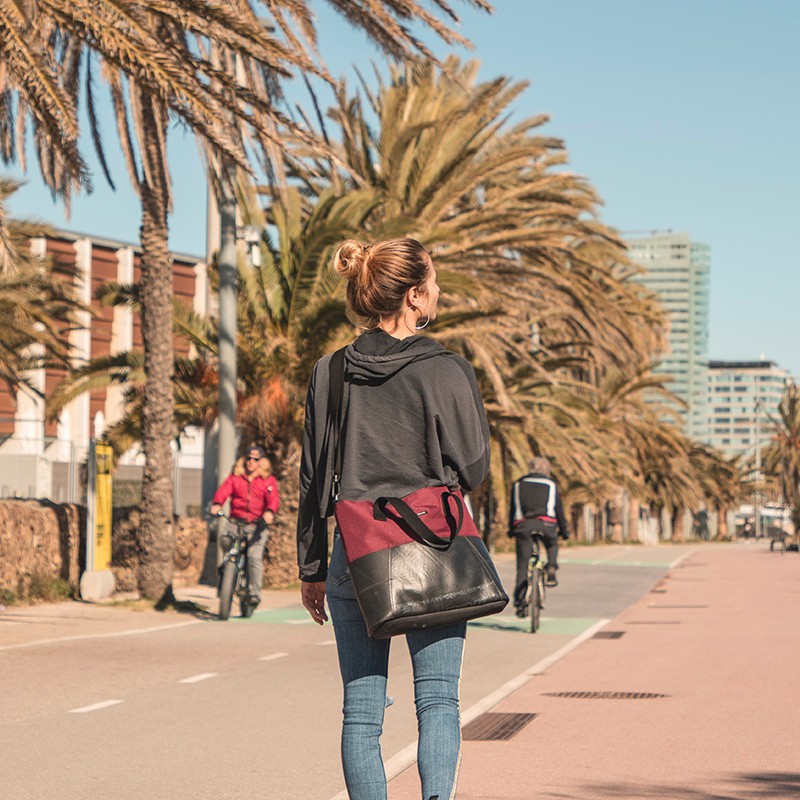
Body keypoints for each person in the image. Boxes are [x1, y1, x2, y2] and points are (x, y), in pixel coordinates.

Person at [297, 238, 491, 800]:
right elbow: (473, 468)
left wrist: (311, 568)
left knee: (361, 713)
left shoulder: (330, 371)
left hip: (355, 554)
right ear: (414, 296)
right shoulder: (446, 370)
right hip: (434, 549)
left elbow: (314, 478)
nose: (439, 289)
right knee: (438, 701)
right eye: (433, 281)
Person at [210, 444, 280, 607]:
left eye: (255, 459)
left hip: (257, 525)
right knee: (226, 540)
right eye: (248, 458)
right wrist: (217, 504)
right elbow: (223, 491)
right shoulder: (236, 477)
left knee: (254, 557)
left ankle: (254, 593)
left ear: (261, 462)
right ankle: (225, 575)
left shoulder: (267, 480)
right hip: (235, 522)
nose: (251, 461)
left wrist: (269, 512)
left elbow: (273, 499)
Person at [508, 457, 570, 612]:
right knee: (552, 543)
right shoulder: (551, 484)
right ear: (546, 469)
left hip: (524, 526)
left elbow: (513, 509)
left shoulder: (518, 484)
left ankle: (520, 600)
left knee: (523, 566)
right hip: (547, 525)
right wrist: (564, 531)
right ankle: (552, 566)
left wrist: (511, 529)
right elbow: (559, 511)